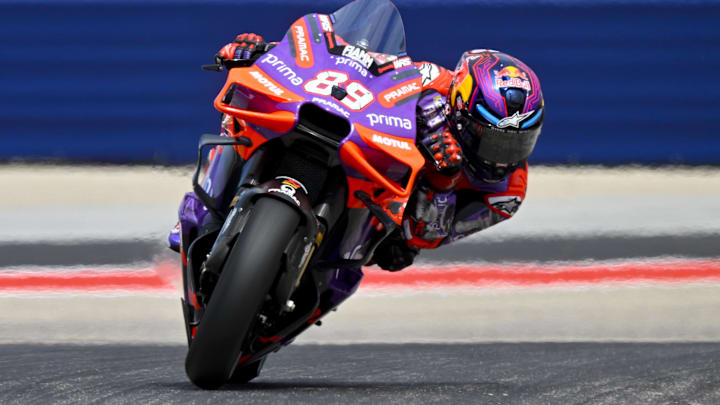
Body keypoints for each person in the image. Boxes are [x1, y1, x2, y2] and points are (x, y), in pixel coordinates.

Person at [170, 34, 544, 271]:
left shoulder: (508, 192)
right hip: (374, 157)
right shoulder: (436, 80)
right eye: (491, 139)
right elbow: (362, 71)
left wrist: (443, 179)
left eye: (516, 143)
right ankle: (209, 204)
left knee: (384, 258)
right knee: (253, 118)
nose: (501, 156)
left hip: (392, 222)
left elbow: (427, 236)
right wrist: (265, 53)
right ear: (459, 106)